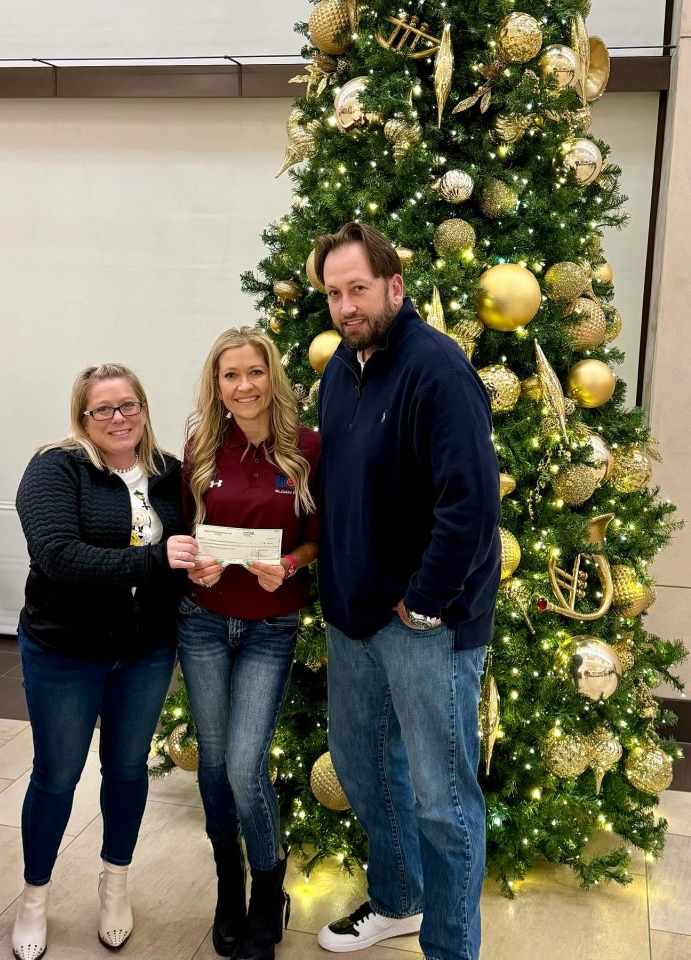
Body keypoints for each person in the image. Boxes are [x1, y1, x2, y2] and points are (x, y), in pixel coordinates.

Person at [312, 223, 501, 960]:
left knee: (443, 804)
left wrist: (424, 598)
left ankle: (451, 950)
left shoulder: (438, 371)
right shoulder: (342, 370)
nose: (346, 305)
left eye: (359, 288)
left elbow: (472, 505)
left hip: (428, 625)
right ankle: (399, 902)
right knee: (362, 771)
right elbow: (337, 486)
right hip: (353, 617)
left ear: (394, 286)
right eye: (334, 292)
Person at [13, 363, 197, 960]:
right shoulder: (54, 468)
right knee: (57, 775)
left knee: (125, 771)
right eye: (104, 410)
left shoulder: (170, 473)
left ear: (144, 409)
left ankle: (115, 883)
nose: (119, 419)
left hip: (143, 652)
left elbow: (198, 540)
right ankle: (34, 896)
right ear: (83, 417)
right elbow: (60, 556)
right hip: (64, 650)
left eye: (129, 406)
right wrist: (157, 560)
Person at [169, 326, 320, 960]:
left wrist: (287, 565)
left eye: (254, 372)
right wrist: (194, 565)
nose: (244, 386)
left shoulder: (307, 449)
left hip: (270, 626)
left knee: (243, 763)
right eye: (230, 375)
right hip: (203, 622)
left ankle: (267, 883)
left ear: (272, 376)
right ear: (217, 385)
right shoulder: (202, 447)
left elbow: (318, 539)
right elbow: (187, 534)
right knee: (211, 763)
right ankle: (228, 886)